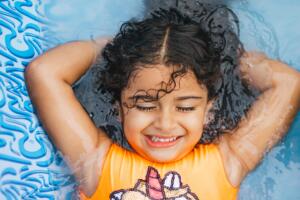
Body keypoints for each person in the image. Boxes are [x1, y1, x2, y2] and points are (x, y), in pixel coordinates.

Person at [24, 5, 300, 200]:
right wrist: (112, 49)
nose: (165, 124)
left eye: (186, 107)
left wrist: (228, 57)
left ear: (208, 111)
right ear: (119, 110)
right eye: (144, 106)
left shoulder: (230, 160)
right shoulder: (95, 161)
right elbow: (45, 73)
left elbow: (288, 84)